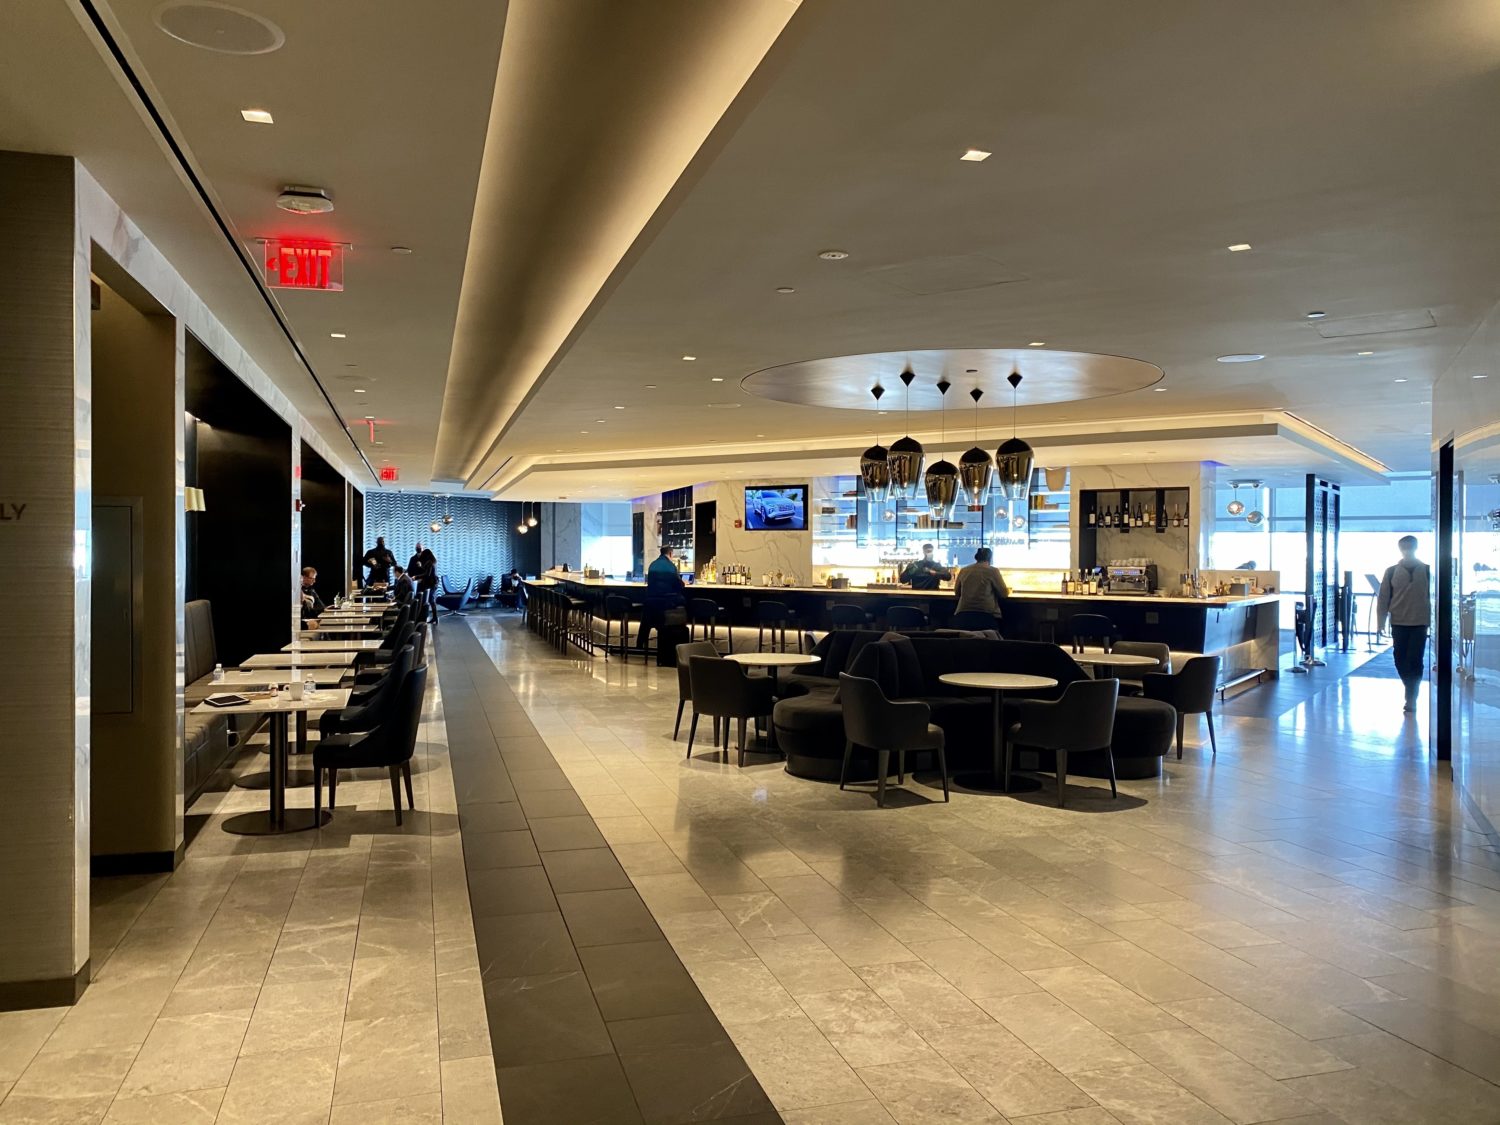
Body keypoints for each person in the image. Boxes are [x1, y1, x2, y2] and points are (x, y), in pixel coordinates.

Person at [1377, 534, 1431, 713]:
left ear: (1415, 548)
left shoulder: (1427, 571)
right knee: (1400, 659)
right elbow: (1383, 598)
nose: (1407, 550)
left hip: (1420, 623)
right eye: (1404, 547)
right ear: (1400, 549)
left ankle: (1411, 697)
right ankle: (1410, 688)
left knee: (1415, 660)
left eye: (1410, 546)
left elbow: (1434, 599)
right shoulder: (1391, 571)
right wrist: (1380, 623)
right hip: (1398, 622)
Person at [638, 546, 686, 651]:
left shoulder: (652, 565)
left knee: (648, 615)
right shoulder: (671, 566)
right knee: (684, 602)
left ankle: (641, 642)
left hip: (650, 603)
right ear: (670, 554)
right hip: (666, 603)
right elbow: (679, 585)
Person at [952, 547, 1009, 629]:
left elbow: (957, 592)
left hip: (962, 614)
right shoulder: (993, 571)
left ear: (976, 557)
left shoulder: (964, 570)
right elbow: (1003, 594)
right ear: (990, 558)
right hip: (986, 615)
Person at [408, 542, 439, 622]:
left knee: (431, 600)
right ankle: (434, 617)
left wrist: (417, 577)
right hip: (431, 583)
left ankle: (434, 617)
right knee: (430, 600)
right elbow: (426, 572)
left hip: (432, 583)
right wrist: (420, 567)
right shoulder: (432, 562)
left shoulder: (430, 563)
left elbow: (427, 574)